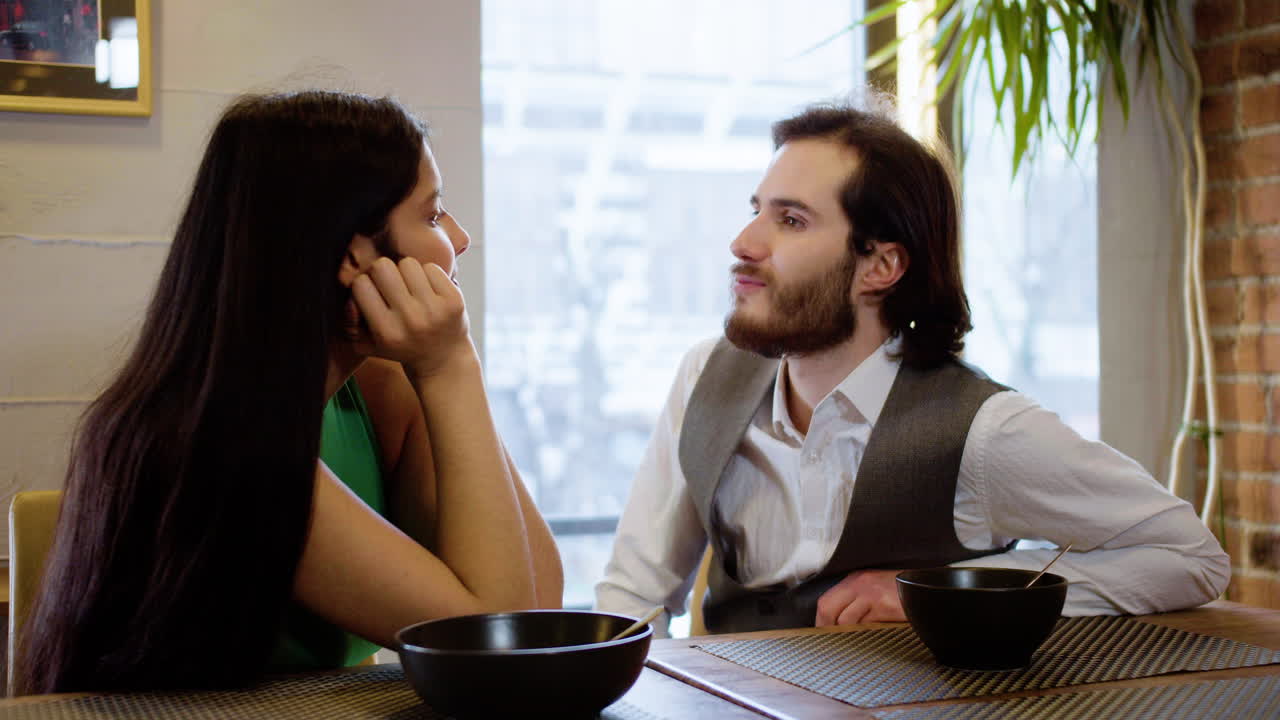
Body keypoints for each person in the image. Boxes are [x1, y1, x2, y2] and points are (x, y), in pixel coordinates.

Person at [594, 98, 1230, 637]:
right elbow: (634, 594)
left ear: (880, 268)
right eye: (756, 208)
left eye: (790, 220)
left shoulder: (986, 433)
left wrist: (945, 591)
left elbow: (1191, 557)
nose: (744, 242)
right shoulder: (703, 375)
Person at [17, 90, 563, 694]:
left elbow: (537, 605)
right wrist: (450, 365)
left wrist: (444, 372)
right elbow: (494, 650)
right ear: (354, 256)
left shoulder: (379, 394)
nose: (458, 239)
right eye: (433, 216)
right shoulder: (227, 445)